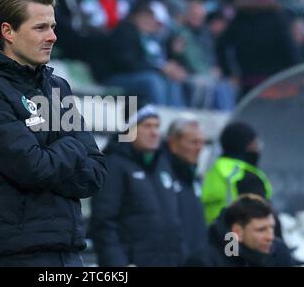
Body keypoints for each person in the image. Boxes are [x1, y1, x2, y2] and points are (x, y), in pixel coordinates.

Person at [0, 0, 106, 267]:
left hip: (69, 252)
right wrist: (71, 141)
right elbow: (33, 167)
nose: (52, 37)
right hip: (17, 256)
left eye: (53, 26)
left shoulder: (57, 86)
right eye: (40, 28)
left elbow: (95, 173)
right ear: (8, 32)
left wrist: (52, 154)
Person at [90, 105, 182, 266]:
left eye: (157, 126)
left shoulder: (162, 164)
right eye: (147, 126)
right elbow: (103, 223)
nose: (154, 132)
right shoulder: (114, 165)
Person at [186, 194, 294, 267]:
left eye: (272, 228)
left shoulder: (279, 252)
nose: (270, 237)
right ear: (237, 232)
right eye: (261, 230)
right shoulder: (205, 262)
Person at [202, 121, 273, 225]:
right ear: (244, 145)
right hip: (235, 237)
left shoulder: (216, 169)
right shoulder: (246, 176)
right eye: (254, 144)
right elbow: (259, 219)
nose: (257, 148)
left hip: (215, 235)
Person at [160, 114, 207, 263]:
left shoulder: (194, 177)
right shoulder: (159, 175)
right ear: (173, 144)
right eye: (194, 142)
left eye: (202, 142)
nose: (199, 148)